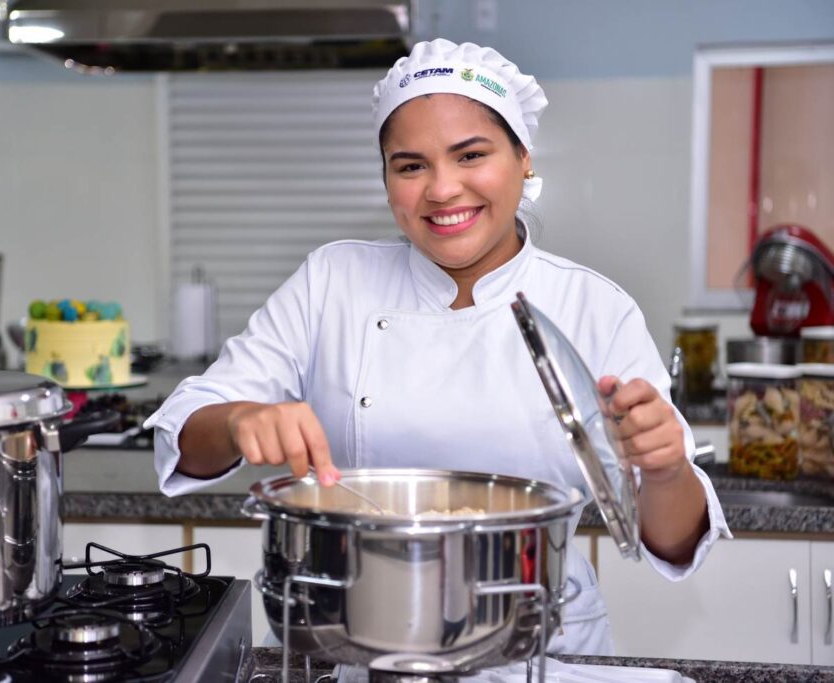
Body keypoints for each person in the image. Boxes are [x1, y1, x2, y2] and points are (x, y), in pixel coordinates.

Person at [146, 38, 731, 655]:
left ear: (523, 159)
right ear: (387, 178)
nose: (442, 189)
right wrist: (241, 420)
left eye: (470, 154)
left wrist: (663, 469)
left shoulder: (595, 309)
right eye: (410, 165)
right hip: (357, 636)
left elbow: (671, 538)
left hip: (542, 645)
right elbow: (184, 432)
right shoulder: (332, 281)